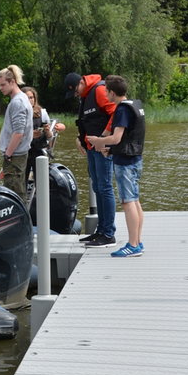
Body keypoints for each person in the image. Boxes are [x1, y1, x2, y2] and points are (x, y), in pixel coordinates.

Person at [87, 75, 145, 257]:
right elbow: (129, 138)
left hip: (125, 164)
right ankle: (138, 241)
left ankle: (133, 245)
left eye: (106, 92)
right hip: (135, 160)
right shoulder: (135, 104)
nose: (105, 94)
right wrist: (110, 150)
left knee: (127, 203)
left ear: (112, 92)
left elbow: (117, 137)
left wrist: (98, 141)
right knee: (134, 201)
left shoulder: (121, 110)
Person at [64, 72, 117, 247]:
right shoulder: (85, 95)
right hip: (91, 147)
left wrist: (104, 139)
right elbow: (87, 121)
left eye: (76, 91)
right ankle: (101, 231)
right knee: (97, 187)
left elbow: (115, 114)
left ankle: (108, 233)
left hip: (102, 148)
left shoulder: (99, 91)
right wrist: (80, 138)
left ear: (81, 82)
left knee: (105, 187)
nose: (76, 95)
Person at [0, 65, 33, 203]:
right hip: (17, 154)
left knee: (14, 193)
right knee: (16, 190)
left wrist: (8, 154)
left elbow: (18, 132)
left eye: (3, 85)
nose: (1, 88)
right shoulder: (21, 98)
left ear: (13, 82)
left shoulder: (17, 102)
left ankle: (19, 222)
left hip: (15, 156)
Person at [22, 87, 53, 189]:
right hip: (24, 152)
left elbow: (49, 138)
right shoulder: (19, 114)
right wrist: (30, 135)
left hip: (39, 151)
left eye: (31, 98)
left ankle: (42, 201)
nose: (30, 100)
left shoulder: (42, 113)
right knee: (22, 182)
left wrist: (48, 130)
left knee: (42, 183)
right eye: (27, 98)